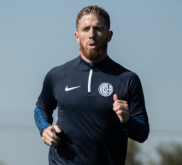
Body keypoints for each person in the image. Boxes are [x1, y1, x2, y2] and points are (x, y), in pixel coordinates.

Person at [34, 5, 149, 165]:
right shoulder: (57, 75)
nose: (92, 34)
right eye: (86, 29)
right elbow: (41, 108)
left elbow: (142, 133)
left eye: (98, 29)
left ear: (109, 35)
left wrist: (127, 120)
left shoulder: (127, 79)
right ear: (77, 36)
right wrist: (45, 128)